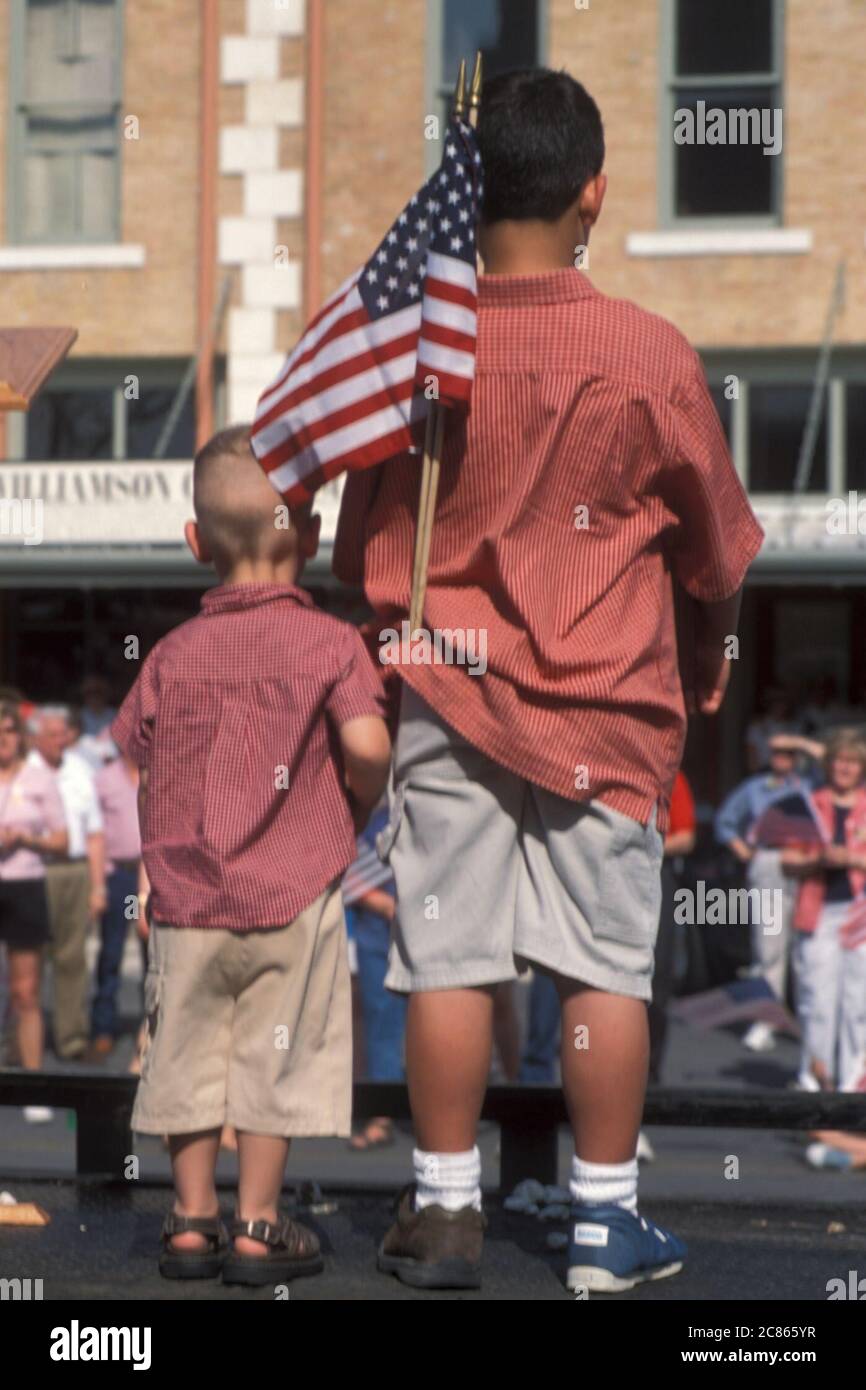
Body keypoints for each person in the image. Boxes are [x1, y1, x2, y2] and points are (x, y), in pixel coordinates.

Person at [333, 68, 763, 1293]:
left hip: (447, 686)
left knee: (446, 957)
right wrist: (709, 646)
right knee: (599, 965)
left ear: (473, 190)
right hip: (605, 705)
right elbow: (718, 546)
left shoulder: (418, 348)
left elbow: (359, 527)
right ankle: (602, 1224)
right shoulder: (646, 353)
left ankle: (447, 1209)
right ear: (592, 192)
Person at [112, 425, 390, 1284]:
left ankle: (191, 1221)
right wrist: (356, 802)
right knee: (276, 1051)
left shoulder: (169, 654)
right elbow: (371, 745)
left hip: (190, 898)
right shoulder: (333, 644)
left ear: (196, 542)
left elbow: (140, 758)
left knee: (185, 1051)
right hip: (295, 888)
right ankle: (259, 1228)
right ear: (308, 536)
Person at [782, 729, 866, 1093]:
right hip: (818, 912)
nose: (844, 768)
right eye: (838, 761)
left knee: (858, 1003)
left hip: (859, 914)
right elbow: (787, 860)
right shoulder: (809, 803)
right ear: (828, 764)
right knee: (817, 1000)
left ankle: (852, 1086)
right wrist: (817, 859)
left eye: (851, 762)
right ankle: (813, 1082)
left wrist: (851, 858)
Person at [714, 742, 810, 1052]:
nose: (783, 758)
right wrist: (745, 851)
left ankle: (809, 1020)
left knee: (807, 950)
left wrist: (804, 744)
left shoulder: (811, 785)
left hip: (809, 865)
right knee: (768, 948)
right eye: (778, 752)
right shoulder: (756, 788)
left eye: (789, 753)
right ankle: (767, 1019)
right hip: (769, 862)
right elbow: (725, 822)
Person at [0, 702, 68, 1120]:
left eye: (8, 731)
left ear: (20, 736)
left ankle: (33, 1081)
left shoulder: (39, 778)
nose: (2, 739)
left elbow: (62, 840)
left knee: (26, 990)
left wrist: (27, 838)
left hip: (25, 884)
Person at [27, 706, 105, 1060]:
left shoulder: (80, 769)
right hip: (33, 871)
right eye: (54, 734)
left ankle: (71, 1039)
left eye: (65, 733)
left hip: (74, 871)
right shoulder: (22, 771)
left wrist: (98, 886)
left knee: (72, 958)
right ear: (36, 738)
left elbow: (94, 833)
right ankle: (22, 1040)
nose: (63, 740)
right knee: (27, 960)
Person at [343, 799, 406, 1151]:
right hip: (375, 930)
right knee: (380, 1019)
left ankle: (431, 1111)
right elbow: (344, 865)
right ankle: (382, 1113)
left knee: (429, 1020)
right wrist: (378, 901)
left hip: (421, 921)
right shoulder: (362, 810)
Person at [87, 751, 142, 1062]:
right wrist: (99, 883)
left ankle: (148, 1028)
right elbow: (94, 830)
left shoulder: (158, 769)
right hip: (119, 876)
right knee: (112, 951)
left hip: (148, 875)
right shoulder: (105, 779)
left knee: (153, 953)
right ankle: (104, 1027)